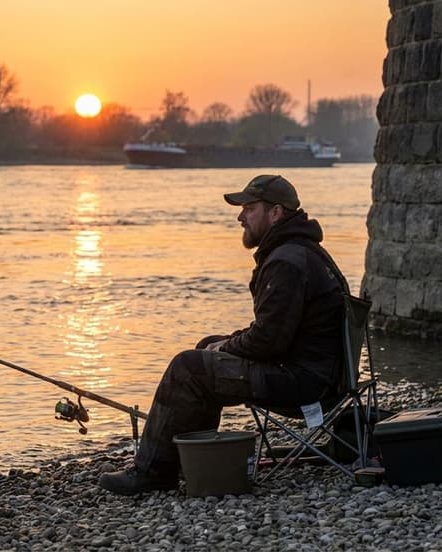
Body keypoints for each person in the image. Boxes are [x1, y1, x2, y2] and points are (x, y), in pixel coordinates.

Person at [99, 174, 348, 495]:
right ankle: (193, 460)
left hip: (303, 384)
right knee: (204, 349)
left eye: (250, 208)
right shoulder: (302, 251)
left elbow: (269, 341)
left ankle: (152, 473)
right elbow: (276, 332)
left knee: (188, 367)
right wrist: (221, 345)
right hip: (317, 372)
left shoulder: (287, 261)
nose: (240, 216)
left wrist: (226, 347)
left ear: (276, 213)